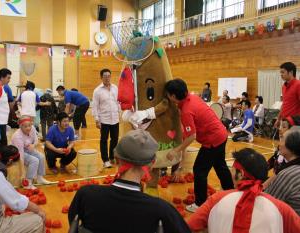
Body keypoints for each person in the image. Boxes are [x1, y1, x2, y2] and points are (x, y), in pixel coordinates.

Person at [68, 129, 191, 233]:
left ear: (116, 159)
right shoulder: (162, 210)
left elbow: (73, 223)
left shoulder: (86, 195)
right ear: (151, 165)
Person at [188, 148, 300, 233]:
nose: (230, 174)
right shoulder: (281, 208)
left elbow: (187, 227)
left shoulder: (216, 199)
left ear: (240, 174)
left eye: (232, 170)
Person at [164, 79, 234, 213]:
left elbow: (191, 137)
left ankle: (200, 203)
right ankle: (229, 190)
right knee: (220, 165)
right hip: (221, 134)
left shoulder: (186, 111)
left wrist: (175, 151)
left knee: (199, 170)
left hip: (213, 139)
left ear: (173, 96)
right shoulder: (192, 97)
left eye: (168, 94)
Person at [265, 127, 300, 215]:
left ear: (291, 145)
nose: (279, 143)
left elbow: (267, 203)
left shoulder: (289, 174)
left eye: (282, 139)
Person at [11, 116, 50, 189]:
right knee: (34, 160)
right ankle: (28, 182)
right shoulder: (17, 137)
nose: (28, 128)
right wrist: (22, 173)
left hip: (28, 148)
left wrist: (33, 145)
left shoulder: (32, 129)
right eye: (25, 126)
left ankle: (39, 178)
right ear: (20, 126)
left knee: (41, 157)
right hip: (17, 153)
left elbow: (36, 140)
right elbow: (21, 155)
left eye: (29, 125)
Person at [92, 68, 120, 168]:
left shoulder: (115, 88)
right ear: (101, 77)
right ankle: (105, 160)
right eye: (105, 76)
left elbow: (117, 102)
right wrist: (96, 120)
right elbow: (95, 106)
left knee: (115, 139)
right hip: (104, 119)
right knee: (104, 140)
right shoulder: (97, 91)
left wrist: (119, 113)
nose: (107, 78)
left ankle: (112, 156)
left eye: (109, 76)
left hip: (115, 118)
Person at [275, 62, 300, 128]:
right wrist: (278, 119)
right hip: (283, 121)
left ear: (291, 72)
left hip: (294, 123)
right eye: (280, 72)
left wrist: (293, 120)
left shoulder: (298, 85)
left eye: (283, 72)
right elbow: (284, 104)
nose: (281, 74)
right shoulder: (284, 86)